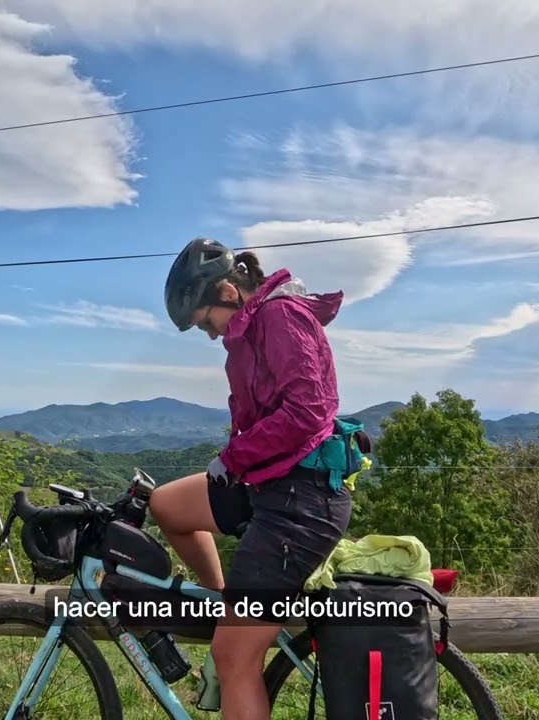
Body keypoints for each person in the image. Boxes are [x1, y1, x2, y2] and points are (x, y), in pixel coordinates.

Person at [150, 236, 353, 720]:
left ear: (226, 291)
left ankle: (237, 632)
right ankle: (228, 603)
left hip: (300, 506)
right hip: (269, 484)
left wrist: (235, 457)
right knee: (167, 506)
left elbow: (308, 412)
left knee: (234, 658)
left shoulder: (280, 317)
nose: (209, 334)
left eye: (204, 321)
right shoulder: (253, 327)